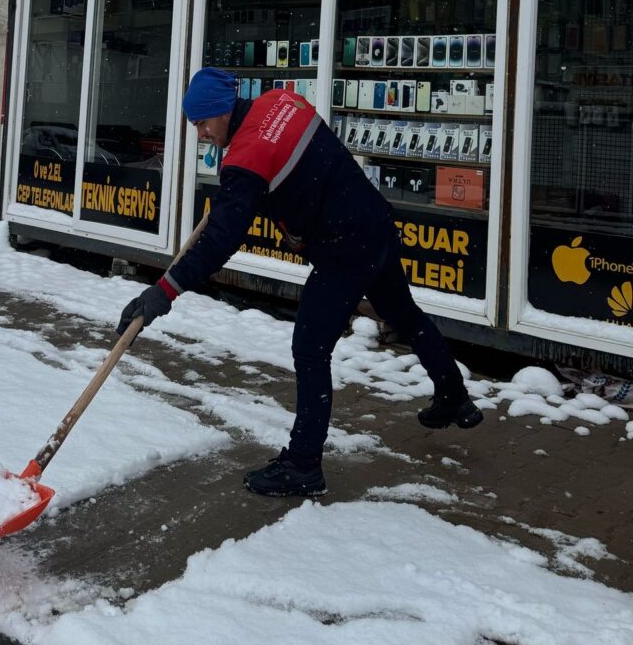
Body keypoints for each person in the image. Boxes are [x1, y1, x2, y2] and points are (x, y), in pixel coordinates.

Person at [117, 67, 482, 497]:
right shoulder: (281, 101)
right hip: (374, 223)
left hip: (345, 247)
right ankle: (454, 396)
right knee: (403, 313)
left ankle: (303, 464)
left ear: (221, 110)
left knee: (310, 348)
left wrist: (165, 291)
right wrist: (254, 202)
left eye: (202, 123)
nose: (201, 134)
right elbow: (303, 167)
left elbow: (220, 241)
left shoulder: (244, 158)